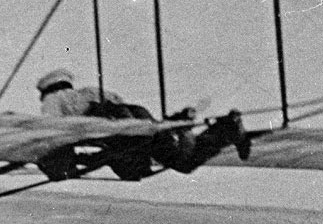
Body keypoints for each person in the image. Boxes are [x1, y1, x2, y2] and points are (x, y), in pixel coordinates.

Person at [32, 68, 250, 181]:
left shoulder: (53, 100)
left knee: (179, 161)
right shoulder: (88, 91)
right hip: (133, 117)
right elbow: (122, 105)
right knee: (181, 157)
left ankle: (212, 128)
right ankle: (222, 128)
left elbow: (55, 132)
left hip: (122, 128)